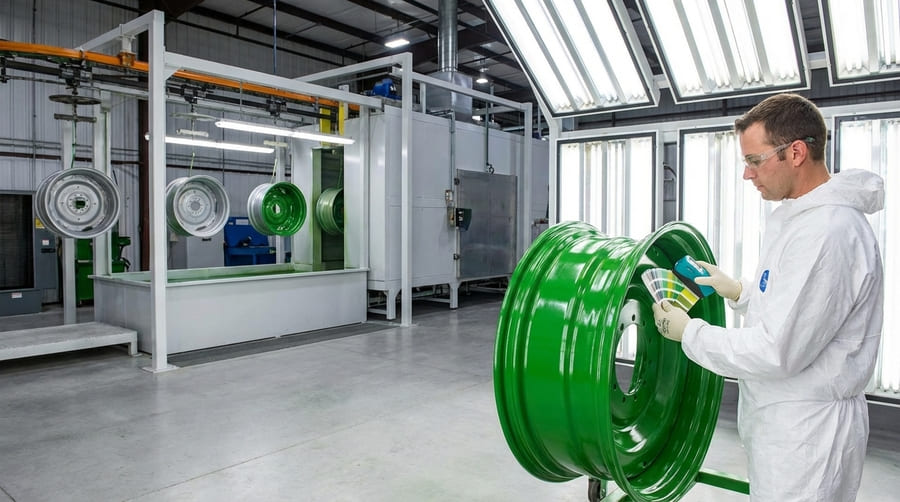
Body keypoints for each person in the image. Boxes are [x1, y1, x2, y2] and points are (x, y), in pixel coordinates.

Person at [651, 93, 884, 501]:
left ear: (795, 152)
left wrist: (691, 333)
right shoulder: (801, 217)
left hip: (807, 438)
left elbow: (777, 349)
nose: (747, 175)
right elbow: (796, 312)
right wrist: (740, 292)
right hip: (788, 423)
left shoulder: (826, 231)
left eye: (754, 161)